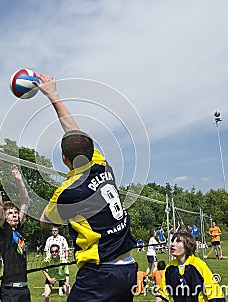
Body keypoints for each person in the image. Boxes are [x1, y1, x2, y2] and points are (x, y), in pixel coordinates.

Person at [37, 73, 137, 302]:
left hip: (100, 273)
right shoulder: (101, 163)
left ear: (64, 159)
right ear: (91, 151)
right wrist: (53, 95)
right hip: (128, 267)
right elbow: (74, 131)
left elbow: (44, 221)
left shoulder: (68, 192)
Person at [0, 162, 30, 302]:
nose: (15, 215)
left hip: (24, 288)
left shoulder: (19, 230)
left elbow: (25, 201)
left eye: (15, 212)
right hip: (10, 289)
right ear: (4, 217)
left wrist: (19, 179)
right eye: (10, 213)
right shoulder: (4, 230)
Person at [155, 230, 225, 302]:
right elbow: (163, 292)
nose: (172, 244)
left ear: (188, 245)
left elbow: (215, 293)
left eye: (178, 241)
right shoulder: (170, 267)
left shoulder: (198, 265)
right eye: (172, 241)